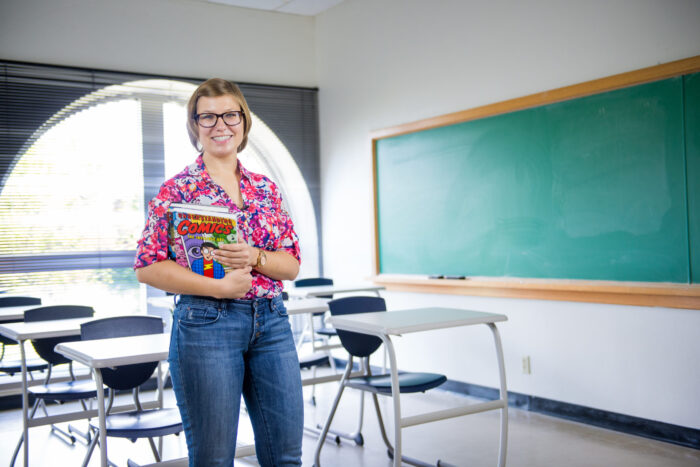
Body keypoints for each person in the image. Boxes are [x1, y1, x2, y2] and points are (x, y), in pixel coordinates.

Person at [134, 78, 303, 466]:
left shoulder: (266, 190)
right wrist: (220, 288)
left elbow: (290, 264)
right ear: (195, 125)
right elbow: (148, 267)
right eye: (207, 117)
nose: (220, 125)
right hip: (205, 324)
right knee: (213, 458)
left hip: (272, 322)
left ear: (243, 121)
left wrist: (255, 256)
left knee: (287, 457)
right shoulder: (176, 191)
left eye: (230, 114)